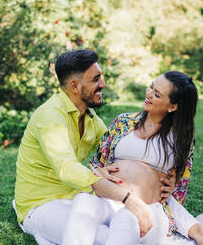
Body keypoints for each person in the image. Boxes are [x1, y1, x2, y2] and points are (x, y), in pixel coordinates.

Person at [62, 71, 203, 245]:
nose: (149, 94)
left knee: (126, 220)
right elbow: (97, 164)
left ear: (173, 106)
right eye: (151, 86)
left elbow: (180, 182)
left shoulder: (181, 137)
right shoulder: (123, 122)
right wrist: (99, 171)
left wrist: (173, 184)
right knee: (83, 203)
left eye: (157, 94)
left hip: (148, 208)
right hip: (108, 198)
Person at [13, 49, 166, 245]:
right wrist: (128, 197)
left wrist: (159, 175)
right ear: (74, 86)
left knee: (130, 227)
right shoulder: (50, 116)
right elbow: (66, 168)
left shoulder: (90, 118)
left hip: (78, 199)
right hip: (41, 205)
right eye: (96, 79)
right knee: (101, 237)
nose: (103, 84)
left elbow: (116, 148)